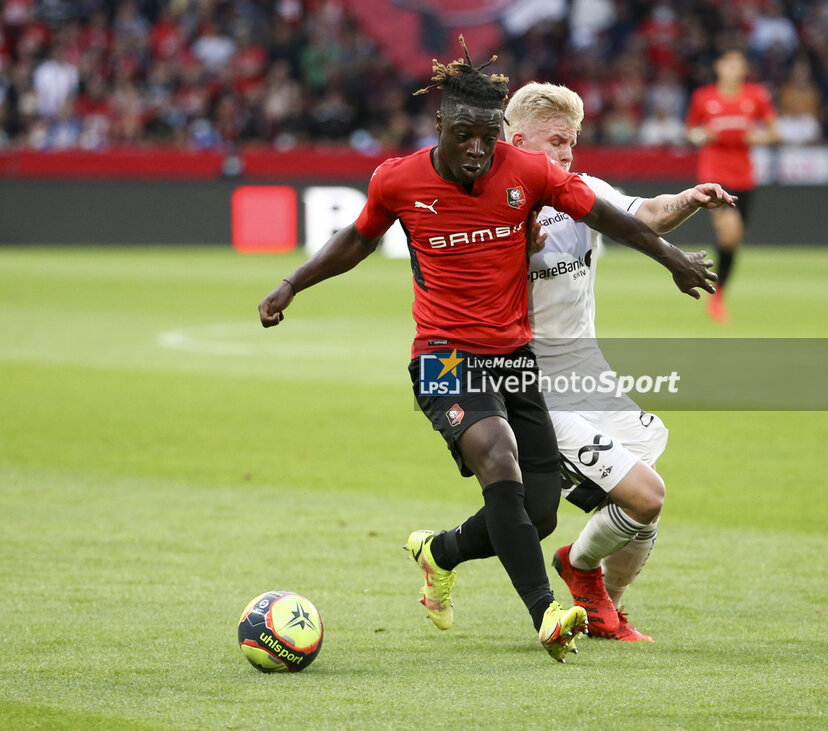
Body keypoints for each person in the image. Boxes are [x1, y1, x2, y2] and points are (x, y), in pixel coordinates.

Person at [258, 38, 717, 662]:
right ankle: (548, 612)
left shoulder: (530, 176)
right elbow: (357, 239)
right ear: (439, 125)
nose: (476, 150)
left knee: (538, 511)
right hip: (444, 354)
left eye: (486, 138)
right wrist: (291, 283)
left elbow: (614, 217)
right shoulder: (397, 178)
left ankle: (440, 552)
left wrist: (671, 258)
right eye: (463, 135)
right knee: (499, 458)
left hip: (515, 359)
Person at [504, 82, 736, 641]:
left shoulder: (580, 191)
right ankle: (581, 573)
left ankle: (607, 603)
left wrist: (689, 199)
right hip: (528, 385)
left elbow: (647, 215)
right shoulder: (489, 208)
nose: (567, 154)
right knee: (643, 495)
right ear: (516, 140)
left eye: (573, 143)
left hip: (587, 376)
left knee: (645, 498)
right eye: (556, 141)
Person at [685, 49, 778, 323]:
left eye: (739, 65)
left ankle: (718, 295)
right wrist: (704, 135)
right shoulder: (704, 97)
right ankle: (713, 292)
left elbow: (775, 132)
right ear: (719, 66)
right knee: (729, 233)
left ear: (744, 69)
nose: (733, 70)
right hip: (714, 176)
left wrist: (752, 138)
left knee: (733, 241)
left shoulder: (756, 96)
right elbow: (691, 131)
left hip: (745, 178)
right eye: (729, 64)